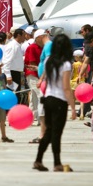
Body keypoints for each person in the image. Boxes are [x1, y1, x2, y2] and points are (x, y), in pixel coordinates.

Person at [32, 34, 76, 172]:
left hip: (48, 98)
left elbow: (44, 74)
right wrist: (73, 108)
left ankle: (38, 160)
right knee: (56, 133)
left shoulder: (48, 60)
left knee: (49, 131)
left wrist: (41, 79)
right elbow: (66, 88)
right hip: (59, 100)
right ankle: (57, 163)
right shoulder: (66, 64)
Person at [24, 29, 45, 140]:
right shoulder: (32, 47)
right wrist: (41, 75)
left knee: (33, 97)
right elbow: (32, 63)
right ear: (38, 38)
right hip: (33, 74)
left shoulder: (42, 47)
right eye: (43, 37)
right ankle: (41, 119)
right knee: (40, 95)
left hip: (38, 74)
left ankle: (31, 118)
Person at [1, 27, 26, 106]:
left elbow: (15, 60)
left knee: (16, 94)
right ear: (19, 35)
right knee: (12, 94)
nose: (25, 37)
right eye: (24, 35)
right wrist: (8, 76)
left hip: (16, 73)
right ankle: (10, 111)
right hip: (12, 73)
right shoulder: (12, 46)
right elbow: (7, 61)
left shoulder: (17, 45)